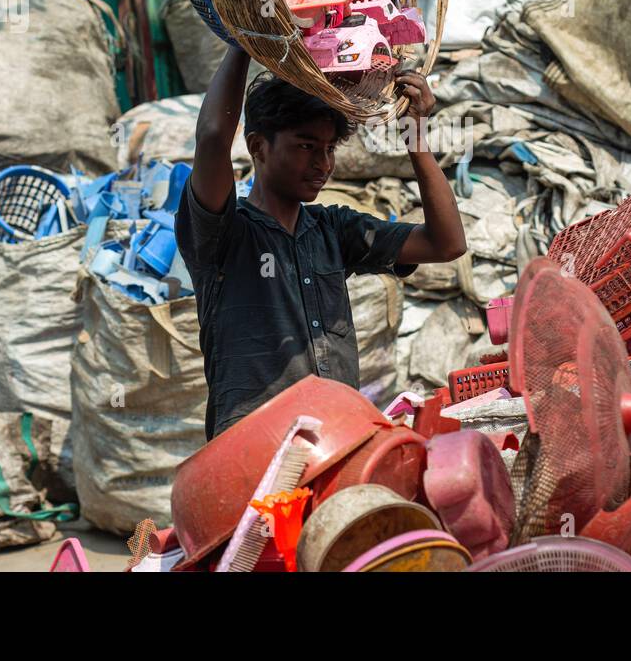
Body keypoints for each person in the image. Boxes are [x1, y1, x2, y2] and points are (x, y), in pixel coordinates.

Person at [176, 44, 467, 440]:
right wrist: (241, 41)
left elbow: (446, 244)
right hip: (255, 453)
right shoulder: (224, 235)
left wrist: (415, 136)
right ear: (258, 146)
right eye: (306, 146)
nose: (323, 164)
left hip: (336, 442)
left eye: (329, 149)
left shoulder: (332, 228)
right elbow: (212, 137)